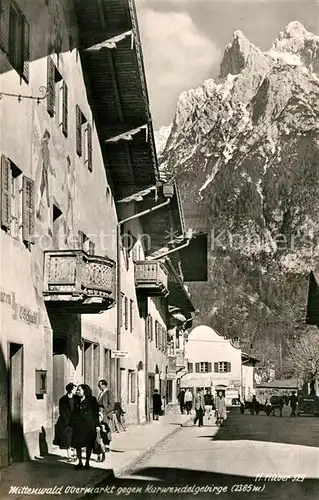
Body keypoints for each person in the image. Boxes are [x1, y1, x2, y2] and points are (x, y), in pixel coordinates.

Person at [70, 384, 99, 469]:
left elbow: (95, 414)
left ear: (85, 391)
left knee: (88, 445)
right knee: (78, 444)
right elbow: (74, 412)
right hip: (78, 425)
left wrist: (97, 425)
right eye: (77, 390)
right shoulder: (76, 399)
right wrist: (71, 424)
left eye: (79, 390)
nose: (77, 391)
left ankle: (87, 462)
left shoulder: (92, 400)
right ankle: (80, 462)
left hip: (89, 425)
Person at [53, 383, 77, 461]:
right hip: (66, 422)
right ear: (70, 390)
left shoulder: (77, 398)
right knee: (67, 440)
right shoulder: (62, 399)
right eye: (74, 389)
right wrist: (66, 421)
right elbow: (61, 412)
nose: (76, 390)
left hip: (75, 422)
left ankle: (75, 454)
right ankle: (69, 456)